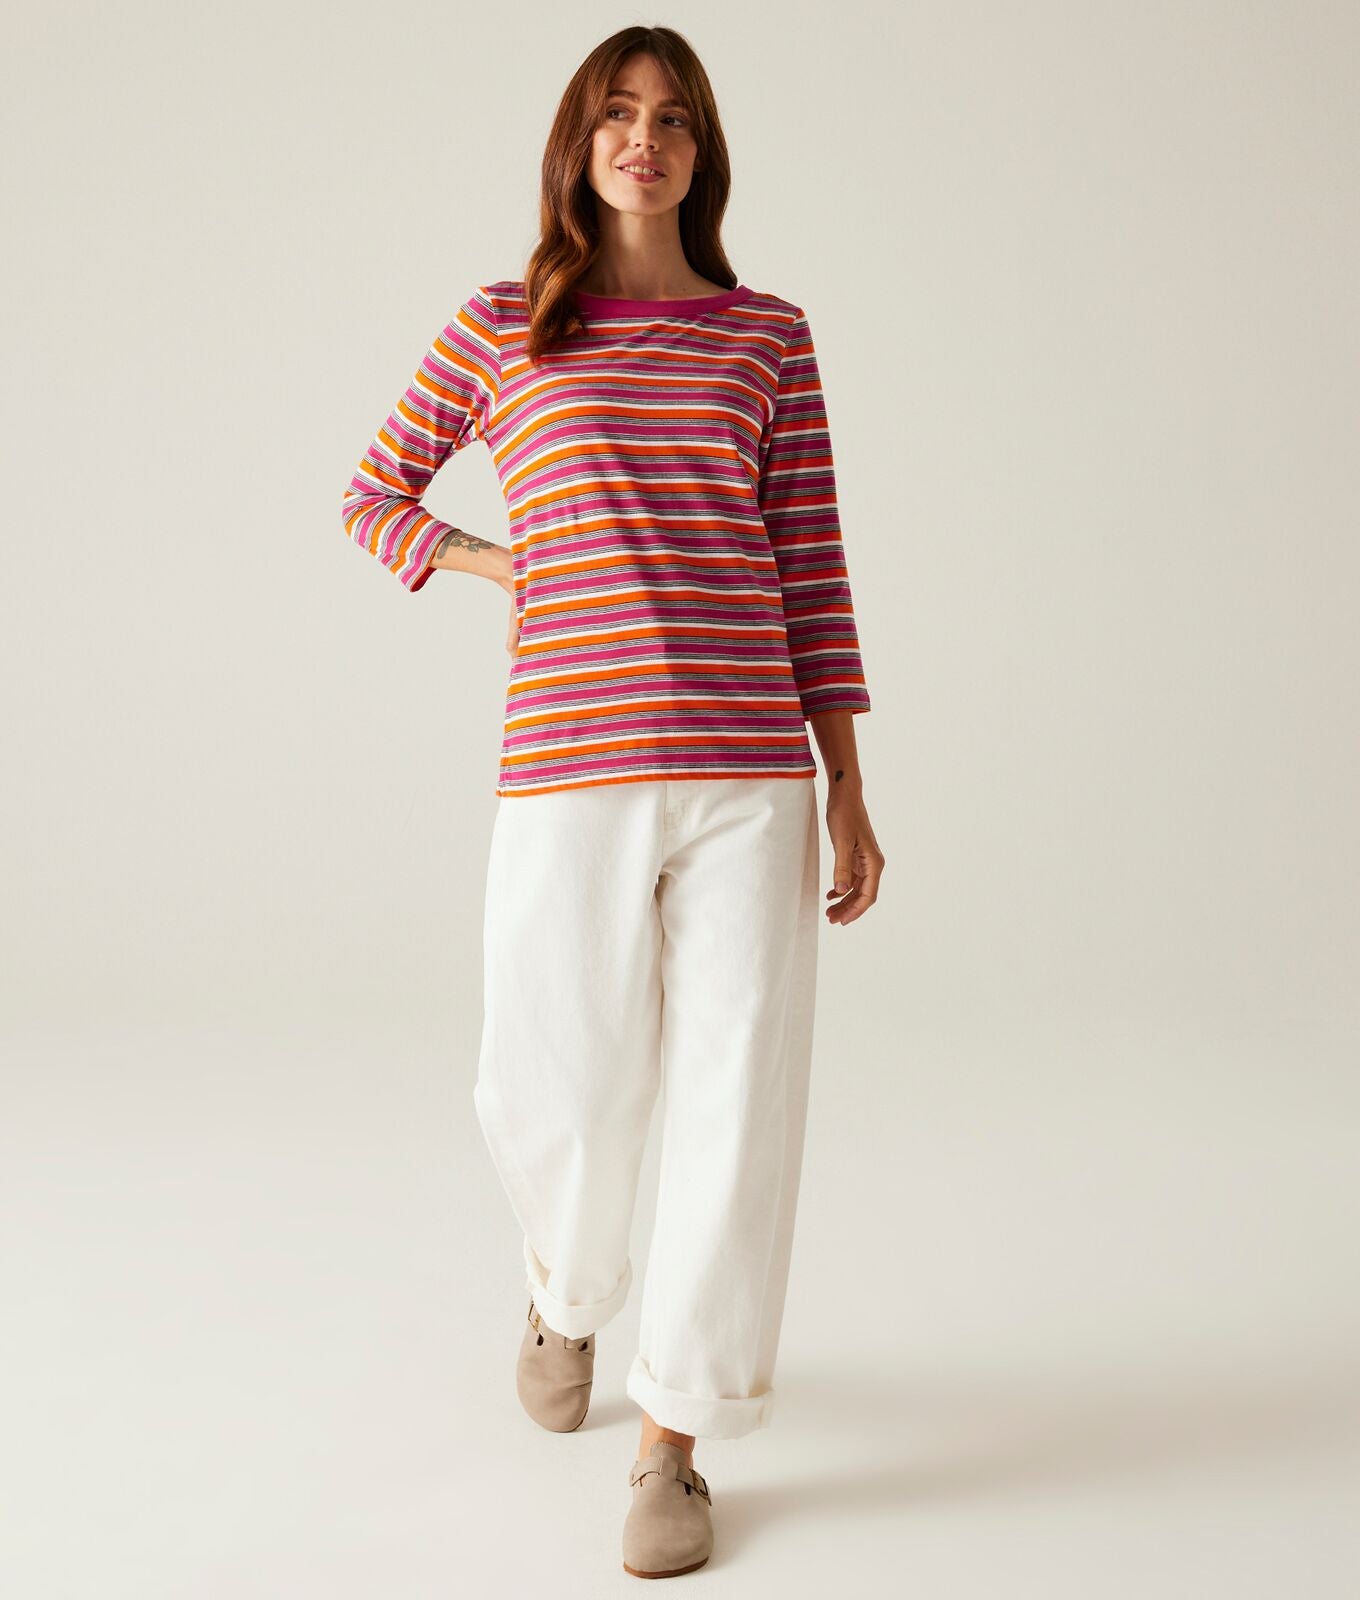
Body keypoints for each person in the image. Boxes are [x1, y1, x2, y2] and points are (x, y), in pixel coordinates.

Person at [339, 23, 885, 1580]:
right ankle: (567, 1294)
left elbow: (811, 564)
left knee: (734, 1104)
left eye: (674, 117)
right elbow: (375, 491)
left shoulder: (766, 337)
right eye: (618, 114)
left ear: (704, 152)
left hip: (749, 775)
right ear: (578, 145)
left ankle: (675, 1440)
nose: (646, 138)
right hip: (569, 767)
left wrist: (849, 783)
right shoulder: (506, 324)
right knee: (557, 1084)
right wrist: (500, 562)